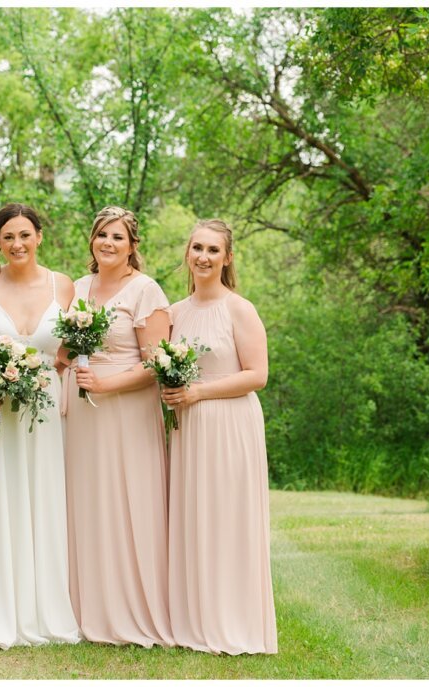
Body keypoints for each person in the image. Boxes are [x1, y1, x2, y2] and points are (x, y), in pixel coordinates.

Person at [0, 202, 80, 649]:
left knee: (40, 496)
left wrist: (63, 364)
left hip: (42, 407)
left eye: (25, 235)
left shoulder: (64, 286)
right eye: (8, 237)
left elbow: (72, 347)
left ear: (39, 236)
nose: (17, 244)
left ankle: (41, 607)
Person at [161, 218, 278, 655]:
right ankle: (194, 619)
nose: (203, 257)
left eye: (213, 250)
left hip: (230, 425)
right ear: (186, 253)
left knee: (229, 519)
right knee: (194, 518)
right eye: (197, 248)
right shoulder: (173, 312)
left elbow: (258, 375)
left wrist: (199, 393)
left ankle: (235, 622)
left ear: (227, 258)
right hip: (189, 430)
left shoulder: (239, 309)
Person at [63, 206, 173, 647]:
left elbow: (157, 364)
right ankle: (81, 605)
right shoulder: (77, 287)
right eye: (102, 235)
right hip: (81, 408)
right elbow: (64, 349)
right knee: (85, 500)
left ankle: (130, 608)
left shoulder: (145, 291)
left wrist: (107, 385)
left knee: (127, 500)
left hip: (125, 408)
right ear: (92, 240)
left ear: (132, 246)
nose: (108, 243)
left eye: (118, 237)